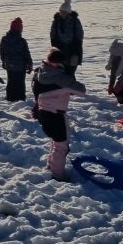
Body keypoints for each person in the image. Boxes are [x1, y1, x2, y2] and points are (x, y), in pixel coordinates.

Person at [32, 47, 87, 181]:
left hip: (43, 112)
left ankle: (51, 167)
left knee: (55, 143)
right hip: (57, 115)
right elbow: (81, 90)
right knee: (61, 147)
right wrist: (69, 80)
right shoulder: (62, 78)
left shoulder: (40, 71)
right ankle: (57, 176)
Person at [0, 17, 33, 102]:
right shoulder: (21, 41)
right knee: (20, 83)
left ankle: (10, 98)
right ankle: (20, 99)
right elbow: (26, 53)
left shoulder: (4, 39)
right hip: (21, 66)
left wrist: (4, 62)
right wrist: (30, 64)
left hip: (9, 65)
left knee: (11, 81)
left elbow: (2, 51)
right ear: (19, 29)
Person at [50, 0, 84, 75]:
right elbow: (52, 34)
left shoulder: (75, 21)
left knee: (71, 72)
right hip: (60, 49)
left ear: (68, 12)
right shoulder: (56, 21)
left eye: (64, 12)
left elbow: (79, 35)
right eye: (61, 11)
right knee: (61, 72)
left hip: (73, 49)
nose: (62, 13)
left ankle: (71, 86)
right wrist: (54, 48)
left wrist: (76, 49)